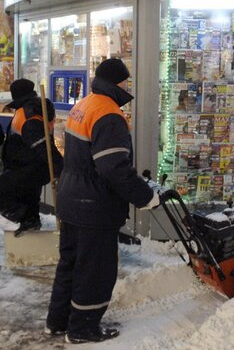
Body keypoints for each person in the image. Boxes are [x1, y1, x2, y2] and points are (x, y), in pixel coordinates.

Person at [45, 58, 160, 344]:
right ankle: (82, 328)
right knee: (95, 270)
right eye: (125, 81)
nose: (127, 86)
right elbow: (113, 168)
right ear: (117, 83)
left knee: (70, 263)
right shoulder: (109, 115)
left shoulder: (83, 105)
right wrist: (146, 197)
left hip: (71, 200)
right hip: (93, 206)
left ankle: (57, 321)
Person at [0, 78, 63, 236]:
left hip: (27, 169)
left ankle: (27, 217)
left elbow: (41, 145)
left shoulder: (28, 116)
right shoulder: (33, 109)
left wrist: (58, 169)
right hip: (31, 168)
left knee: (7, 193)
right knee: (29, 199)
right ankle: (31, 227)